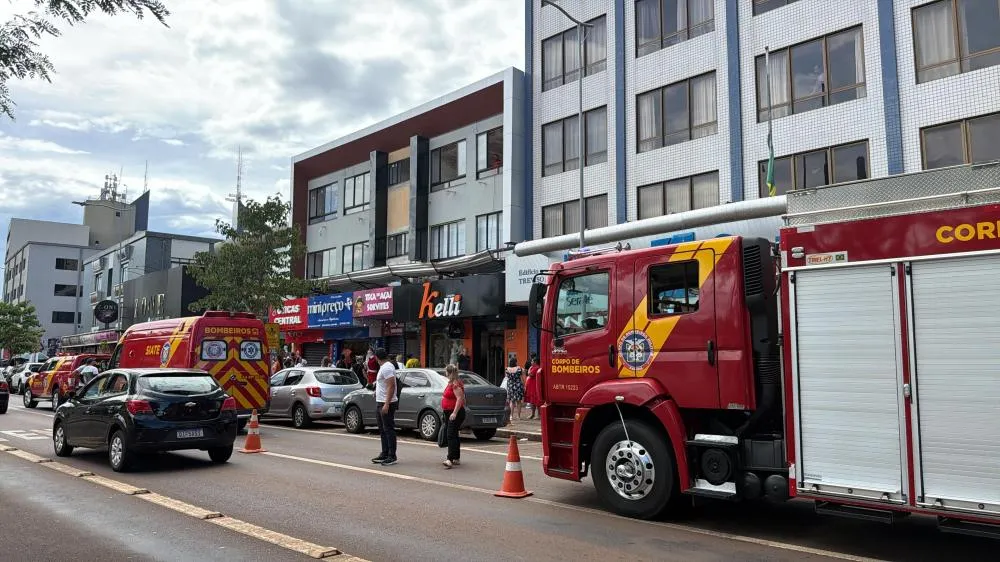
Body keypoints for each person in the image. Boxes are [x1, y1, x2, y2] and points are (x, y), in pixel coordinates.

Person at [371, 348, 398, 466]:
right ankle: (385, 453)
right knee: (382, 429)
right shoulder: (385, 366)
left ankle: (392, 455)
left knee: (388, 429)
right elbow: (384, 385)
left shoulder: (386, 367)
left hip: (386, 402)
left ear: (377, 358)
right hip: (380, 401)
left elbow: (391, 385)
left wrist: (387, 403)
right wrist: (376, 392)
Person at [441, 363, 466, 469]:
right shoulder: (451, 383)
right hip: (449, 412)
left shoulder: (455, 384)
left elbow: (460, 398)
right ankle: (456, 457)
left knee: (450, 434)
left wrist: (454, 413)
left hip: (454, 413)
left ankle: (449, 459)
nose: (445, 373)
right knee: (454, 434)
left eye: (446, 371)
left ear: (450, 373)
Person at [505, 356, 526, 421]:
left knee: (512, 401)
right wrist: (524, 385)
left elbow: (506, 378)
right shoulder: (520, 369)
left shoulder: (507, 369)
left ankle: (511, 416)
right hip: (518, 386)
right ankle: (519, 416)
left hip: (510, 386)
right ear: (516, 362)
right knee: (519, 402)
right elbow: (523, 379)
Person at [525, 356, 541, 420]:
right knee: (532, 402)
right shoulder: (533, 367)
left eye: (532, 361)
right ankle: (533, 414)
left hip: (534, 387)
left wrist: (529, 369)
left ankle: (538, 415)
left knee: (536, 401)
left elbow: (530, 374)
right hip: (531, 387)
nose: (531, 362)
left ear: (535, 362)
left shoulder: (536, 368)